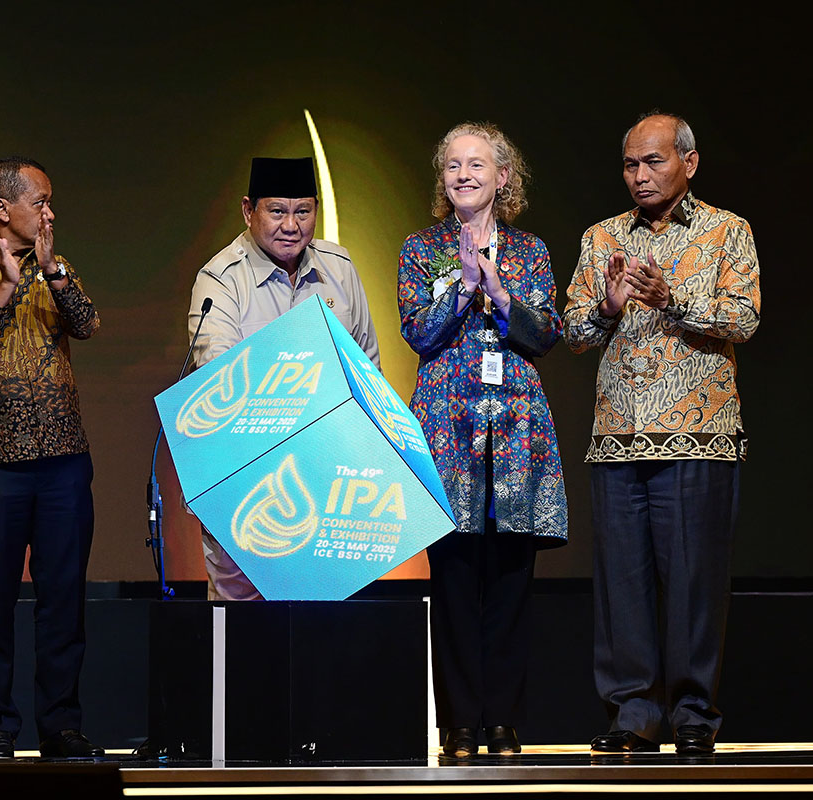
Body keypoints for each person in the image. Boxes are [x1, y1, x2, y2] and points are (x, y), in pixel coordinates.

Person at [565, 112, 760, 756]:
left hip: (699, 435)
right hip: (618, 436)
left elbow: (744, 318)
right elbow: (574, 333)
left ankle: (693, 714)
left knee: (694, 583)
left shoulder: (727, 231)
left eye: (653, 161)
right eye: (630, 164)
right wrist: (608, 306)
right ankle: (634, 716)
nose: (640, 176)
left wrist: (672, 297)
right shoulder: (602, 238)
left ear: (689, 163)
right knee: (622, 585)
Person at [398, 123, 567, 758]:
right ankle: (459, 724)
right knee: (453, 581)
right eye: (453, 166)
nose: (464, 175)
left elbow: (545, 334)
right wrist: (464, 286)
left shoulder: (529, 250)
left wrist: (499, 292)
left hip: (517, 431)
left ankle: (503, 721)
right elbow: (417, 331)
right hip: (449, 429)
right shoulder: (423, 248)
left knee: (511, 580)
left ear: (503, 176)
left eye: (476, 164)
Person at [0, 158, 102, 760]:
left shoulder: (58, 267)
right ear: (2, 210)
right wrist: (4, 286)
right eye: (41, 201)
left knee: (63, 601)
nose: (50, 213)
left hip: (63, 461)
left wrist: (53, 273)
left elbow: (88, 324)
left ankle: (60, 726)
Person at [187, 156, 380, 600]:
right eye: (276, 211)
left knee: (324, 614)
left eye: (303, 211)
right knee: (243, 622)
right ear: (248, 210)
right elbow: (221, 381)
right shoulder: (220, 280)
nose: (291, 225)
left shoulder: (339, 268)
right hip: (244, 483)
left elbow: (367, 368)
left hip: (327, 478)